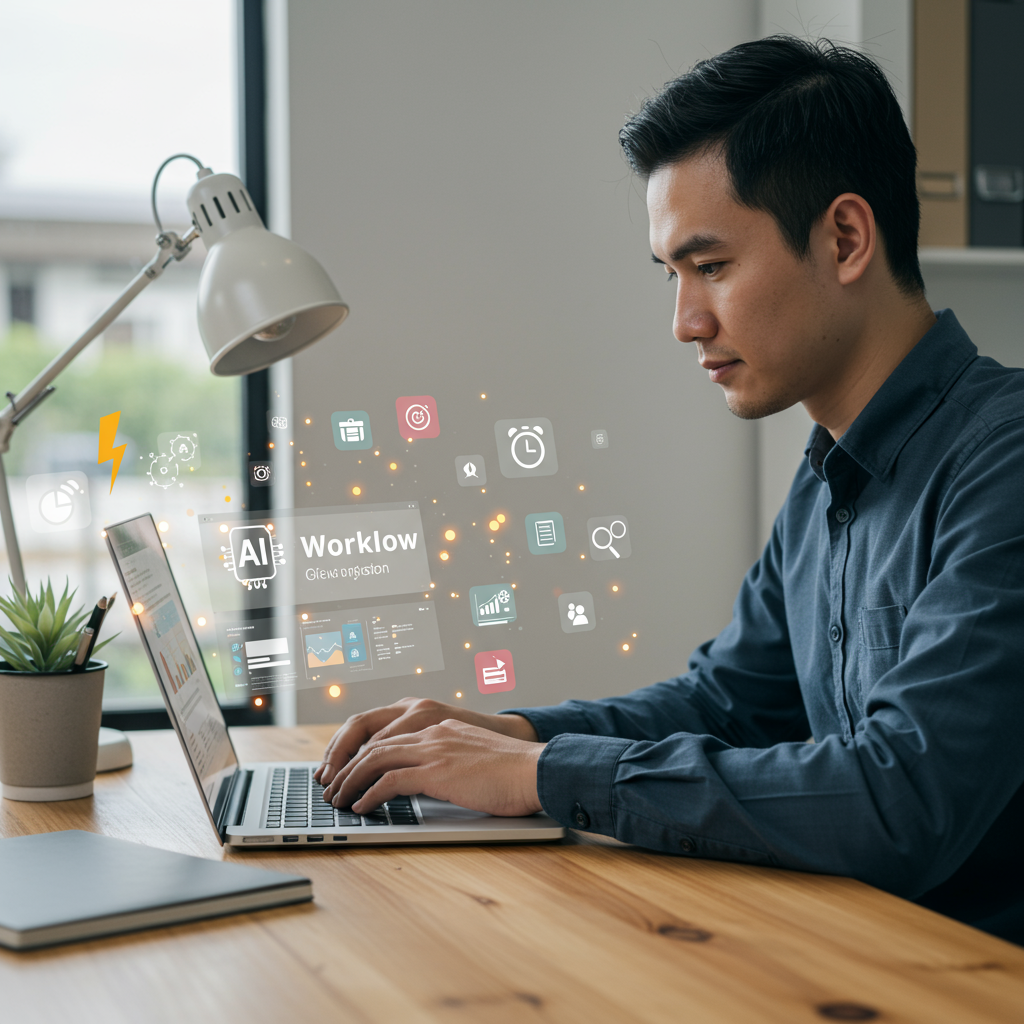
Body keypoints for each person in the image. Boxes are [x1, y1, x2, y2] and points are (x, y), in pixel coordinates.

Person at [314, 36, 1024, 944]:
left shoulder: (1003, 463)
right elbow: (725, 704)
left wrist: (542, 776)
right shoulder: (827, 480)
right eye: (672, 274)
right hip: (856, 959)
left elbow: (902, 800)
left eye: (713, 266)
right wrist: (508, 734)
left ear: (846, 239)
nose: (685, 322)